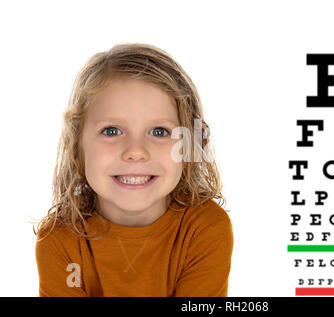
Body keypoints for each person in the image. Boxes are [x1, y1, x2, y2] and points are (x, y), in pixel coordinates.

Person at [34, 43, 233, 297]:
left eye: (159, 132)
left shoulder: (204, 228)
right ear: (77, 147)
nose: (136, 151)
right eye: (112, 131)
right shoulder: (59, 239)